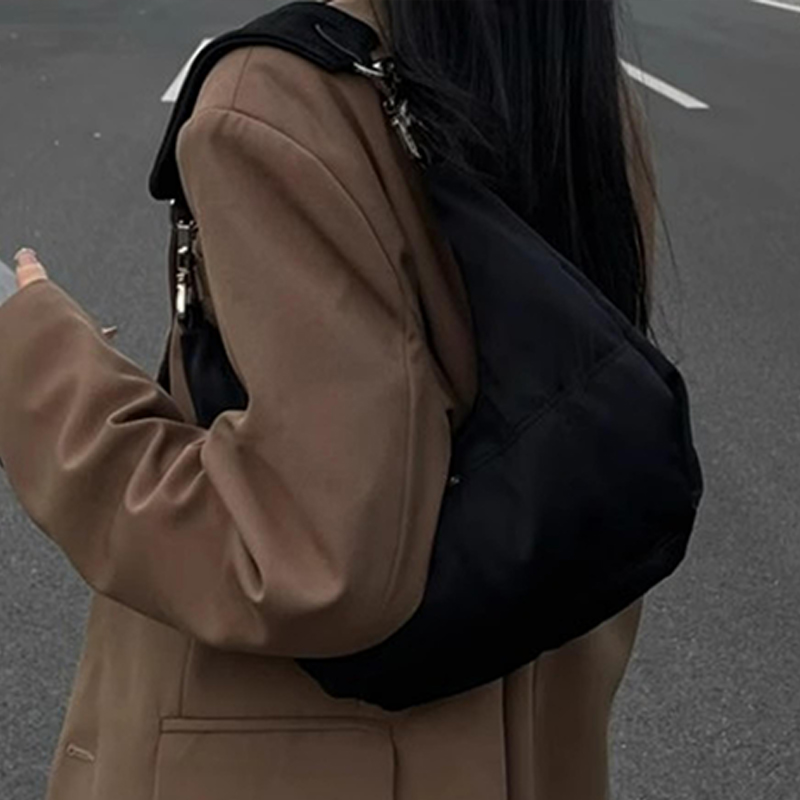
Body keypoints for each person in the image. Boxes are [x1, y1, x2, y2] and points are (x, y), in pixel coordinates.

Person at [0, 0, 654, 798]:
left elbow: (312, 561)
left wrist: (34, 360)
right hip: (531, 755)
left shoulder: (282, 98)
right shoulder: (569, 95)